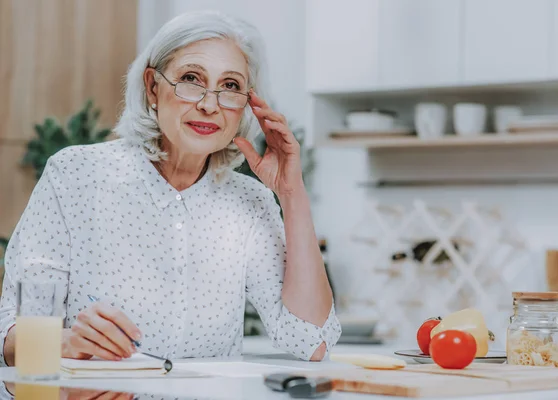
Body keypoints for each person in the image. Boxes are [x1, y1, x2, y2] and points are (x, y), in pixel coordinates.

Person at [0, 11, 340, 366]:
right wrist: (64, 342)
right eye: (191, 78)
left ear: (246, 105)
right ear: (152, 87)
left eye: (230, 86)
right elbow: (11, 338)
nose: (210, 105)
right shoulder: (75, 176)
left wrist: (291, 192)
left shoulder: (250, 201)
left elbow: (310, 341)